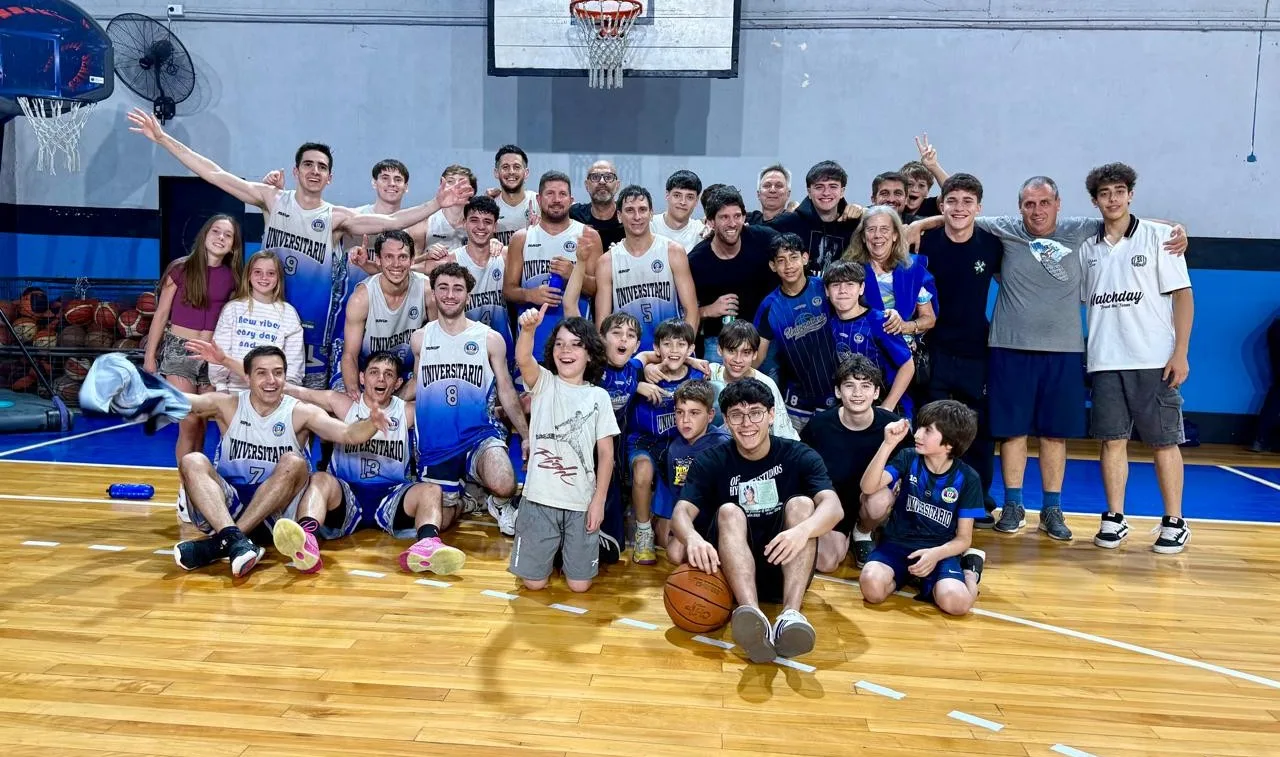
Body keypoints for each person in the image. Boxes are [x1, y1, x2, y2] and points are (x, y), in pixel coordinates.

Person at [908, 174, 1187, 541]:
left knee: (1055, 434)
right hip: (1009, 347)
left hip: (1064, 350)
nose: (1037, 210)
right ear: (1019, 207)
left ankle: (1052, 509)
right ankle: (1013, 505)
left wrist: (1175, 229)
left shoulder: (1079, 229)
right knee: (1012, 431)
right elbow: (960, 214)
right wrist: (918, 224)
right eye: (1029, 204)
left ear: (1058, 205)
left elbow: (1121, 218)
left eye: (1044, 203)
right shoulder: (1005, 229)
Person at [127, 109, 471, 389]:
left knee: (307, 399)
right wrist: (164, 138)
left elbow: (390, 221)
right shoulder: (273, 199)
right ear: (296, 170)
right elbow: (216, 174)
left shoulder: (336, 217)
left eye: (322, 167)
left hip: (314, 325)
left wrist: (435, 204)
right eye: (308, 164)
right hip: (264, 318)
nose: (315, 171)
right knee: (252, 392)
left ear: (329, 178)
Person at [172, 346, 388, 577]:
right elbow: (186, 401)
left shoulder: (301, 412)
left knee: (294, 462)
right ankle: (233, 539)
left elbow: (347, 434)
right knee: (192, 460)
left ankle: (224, 542)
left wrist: (371, 424)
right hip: (226, 510)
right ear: (247, 377)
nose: (271, 380)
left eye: (278, 373)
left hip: (276, 516)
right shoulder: (227, 404)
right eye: (262, 373)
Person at [671, 378, 842, 663]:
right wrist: (692, 538)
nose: (746, 423)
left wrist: (802, 531)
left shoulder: (799, 454)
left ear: (771, 415)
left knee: (803, 505)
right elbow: (681, 512)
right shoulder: (711, 460)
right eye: (737, 415)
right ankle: (752, 615)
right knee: (729, 511)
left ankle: (790, 614)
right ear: (726, 420)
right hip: (732, 575)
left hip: (786, 568)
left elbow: (833, 507)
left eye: (755, 413)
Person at [1079, 162, 1194, 554]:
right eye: (1104, 193)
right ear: (1095, 201)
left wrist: (1180, 352)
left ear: (1130, 194)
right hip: (1105, 360)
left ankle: (1175, 520)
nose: (1112, 199)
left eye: (1119, 191)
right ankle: (1115, 516)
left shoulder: (1161, 238)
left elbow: (1183, 295)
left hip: (1153, 359)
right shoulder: (1087, 248)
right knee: (1111, 440)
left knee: (1164, 441)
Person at [411, 262, 527, 543]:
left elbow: (506, 390)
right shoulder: (420, 339)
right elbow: (419, 389)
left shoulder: (489, 338)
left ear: (468, 295)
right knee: (439, 519)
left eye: (458, 289)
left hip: (479, 435)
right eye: (443, 288)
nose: (450, 295)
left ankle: (499, 502)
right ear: (433, 294)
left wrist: (525, 435)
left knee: (504, 482)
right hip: (437, 445)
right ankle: (467, 500)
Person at [509, 306, 619, 593]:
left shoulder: (599, 397)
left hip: (580, 502)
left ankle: (576, 545)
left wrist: (598, 501)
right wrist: (528, 330)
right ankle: (553, 548)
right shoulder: (544, 382)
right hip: (539, 500)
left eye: (575, 344)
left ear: (590, 354)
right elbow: (523, 358)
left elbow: (607, 455)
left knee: (579, 586)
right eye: (559, 343)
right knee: (534, 584)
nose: (566, 350)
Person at [916, 173, 1003, 524]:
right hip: (932, 349)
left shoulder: (992, 245)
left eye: (968, 202)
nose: (959, 208)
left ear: (979, 208)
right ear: (941, 205)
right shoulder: (924, 243)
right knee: (930, 424)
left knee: (978, 428)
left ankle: (977, 499)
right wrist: (918, 225)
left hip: (975, 350)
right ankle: (926, 497)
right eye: (952, 201)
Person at [858, 400, 987, 616]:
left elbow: (964, 539)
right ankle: (905, 576)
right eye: (919, 427)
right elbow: (867, 487)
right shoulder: (909, 457)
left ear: (949, 444)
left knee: (957, 605)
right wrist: (888, 444)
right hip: (897, 544)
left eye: (927, 431)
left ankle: (970, 570)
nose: (917, 434)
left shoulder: (968, 478)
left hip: (938, 550)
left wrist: (936, 554)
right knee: (872, 589)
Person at [144, 214, 243, 463]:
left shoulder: (233, 277)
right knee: (188, 421)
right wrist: (149, 357)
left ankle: (195, 477)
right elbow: (161, 314)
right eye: (215, 231)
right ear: (205, 235)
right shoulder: (180, 269)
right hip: (180, 350)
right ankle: (184, 481)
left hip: (211, 355)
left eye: (228, 235)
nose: (220, 237)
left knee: (202, 422)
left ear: (233, 245)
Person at [802, 356, 903, 570]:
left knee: (879, 500)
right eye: (849, 385)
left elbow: (911, 462)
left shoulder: (893, 426)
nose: (857, 393)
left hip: (870, 499)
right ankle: (842, 536)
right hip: (833, 502)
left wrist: (900, 481)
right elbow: (802, 468)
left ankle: (863, 531)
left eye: (865, 386)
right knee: (826, 562)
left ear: (876, 392)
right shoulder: (819, 426)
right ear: (838, 391)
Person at [626, 319, 705, 564]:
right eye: (667, 344)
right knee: (643, 470)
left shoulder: (698, 375)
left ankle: (665, 523)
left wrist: (691, 361)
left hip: (677, 448)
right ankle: (642, 532)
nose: (673, 349)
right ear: (656, 348)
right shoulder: (643, 371)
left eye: (681, 344)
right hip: (644, 442)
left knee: (668, 540)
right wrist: (638, 384)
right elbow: (620, 370)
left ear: (691, 349)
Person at [504, 171, 604, 359]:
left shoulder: (588, 236)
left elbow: (597, 289)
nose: (556, 199)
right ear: (539, 199)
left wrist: (573, 274)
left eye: (562, 194)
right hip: (532, 344)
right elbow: (508, 291)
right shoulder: (521, 238)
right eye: (550, 193)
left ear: (571, 200)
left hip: (576, 342)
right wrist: (530, 294)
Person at [587, 185, 699, 350]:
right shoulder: (606, 262)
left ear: (651, 213)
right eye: (630, 210)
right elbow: (602, 325)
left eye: (642, 209)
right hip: (627, 356)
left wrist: (682, 350)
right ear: (619, 216)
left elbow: (692, 310)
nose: (637, 217)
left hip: (671, 354)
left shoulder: (673, 252)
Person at [754, 233, 841, 432]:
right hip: (796, 397)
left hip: (836, 392)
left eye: (794, 257)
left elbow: (857, 314)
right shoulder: (769, 305)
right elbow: (758, 356)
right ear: (772, 266)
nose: (788, 266)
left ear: (805, 258)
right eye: (781, 260)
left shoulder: (825, 288)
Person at [687, 186, 780, 362]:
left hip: (765, 338)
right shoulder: (696, 261)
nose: (732, 223)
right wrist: (707, 310)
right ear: (710, 222)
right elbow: (680, 311)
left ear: (744, 217)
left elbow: (794, 258)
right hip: (719, 342)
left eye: (737, 216)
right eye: (724, 217)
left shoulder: (764, 239)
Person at [336, 230, 428, 395]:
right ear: (378, 260)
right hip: (365, 370)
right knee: (345, 401)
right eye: (389, 257)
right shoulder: (361, 298)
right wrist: (356, 395)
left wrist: (398, 402)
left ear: (412, 260)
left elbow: (438, 346)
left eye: (403, 257)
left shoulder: (427, 291)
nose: (396, 264)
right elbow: (350, 355)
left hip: (407, 373)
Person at [822, 261, 915, 416]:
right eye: (836, 285)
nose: (843, 290)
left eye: (850, 284)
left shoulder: (880, 322)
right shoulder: (829, 323)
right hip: (852, 408)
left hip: (889, 406)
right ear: (826, 291)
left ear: (861, 288)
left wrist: (887, 407)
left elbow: (907, 365)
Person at [658, 380, 731, 566]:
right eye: (680, 412)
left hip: (718, 520)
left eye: (694, 413)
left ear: (710, 415)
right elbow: (677, 494)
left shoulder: (723, 444)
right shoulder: (674, 448)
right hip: (691, 519)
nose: (685, 420)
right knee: (674, 553)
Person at [209, 250, 304, 392]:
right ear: (248, 275)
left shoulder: (288, 313)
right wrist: (221, 387)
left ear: (278, 277)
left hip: (273, 392)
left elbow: (294, 361)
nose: (264, 277)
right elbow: (220, 351)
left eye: (271, 273)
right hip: (234, 390)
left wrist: (286, 391)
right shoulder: (233, 309)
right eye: (257, 272)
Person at [447, 196, 514, 369]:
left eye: (487, 221)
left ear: (495, 226)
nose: (481, 227)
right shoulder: (451, 260)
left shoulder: (506, 255)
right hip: (465, 352)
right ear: (464, 223)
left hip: (504, 348)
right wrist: (425, 255)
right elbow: (407, 268)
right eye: (474, 220)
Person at [705, 320, 797, 440]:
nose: (738, 360)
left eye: (746, 352)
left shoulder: (766, 384)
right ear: (720, 350)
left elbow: (784, 434)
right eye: (731, 351)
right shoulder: (708, 374)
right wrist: (690, 360)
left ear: (754, 354)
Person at [765, 161, 861, 274]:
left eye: (833, 186)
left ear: (842, 192)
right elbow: (756, 236)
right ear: (809, 192)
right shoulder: (788, 223)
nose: (826, 193)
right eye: (819, 187)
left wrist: (865, 212)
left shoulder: (854, 225)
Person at [410, 165, 478, 258]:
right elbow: (410, 263)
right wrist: (426, 256)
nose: (455, 186)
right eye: (450, 181)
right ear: (441, 188)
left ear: (472, 191)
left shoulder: (480, 225)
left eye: (462, 182)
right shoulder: (423, 223)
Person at [569, 159, 625, 250]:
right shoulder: (573, 214)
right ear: (586, 185)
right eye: (595, 177)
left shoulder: (628, 217)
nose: (602, 181)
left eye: (608, 177)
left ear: (617, 185)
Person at [492, 144, 539, 245]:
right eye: (505, 167)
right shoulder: (490, 206)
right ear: (496, 172)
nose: (511, 172)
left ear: (526, 172)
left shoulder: (539, 202)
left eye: (516, 167)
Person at [651, 170, 706, 251]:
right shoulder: (650, 226)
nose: (683, 202)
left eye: (689, 197)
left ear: (697, 200)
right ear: (667, 195)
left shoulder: (701, 232)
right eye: (677, 195)